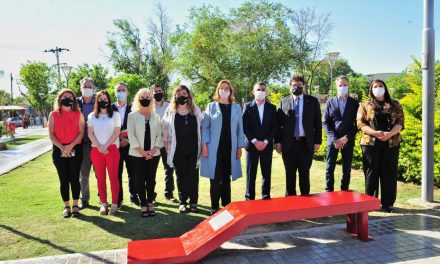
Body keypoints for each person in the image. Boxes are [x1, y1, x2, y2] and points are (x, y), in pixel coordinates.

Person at [357, 79, 404, 213]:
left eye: (380, 86)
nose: (378, 88)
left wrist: (389, 134)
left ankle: (388, 203)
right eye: (375, 87)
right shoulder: (365, 105)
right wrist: (375, 133)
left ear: (385, 88)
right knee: (372, 171)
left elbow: (400, 122)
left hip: (391, 143)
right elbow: (360, 123)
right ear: (371, 90)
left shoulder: (395, 104)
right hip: (371, 143)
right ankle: (371, 202)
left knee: (389, 172)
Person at [201, 80, 245, 215]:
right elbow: (205, 127)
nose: (224, 90)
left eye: (227, 88)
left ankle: (227, 206)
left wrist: (239, 147)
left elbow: (239, 129)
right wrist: (204, 145)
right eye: (222, 88)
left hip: (230, 148)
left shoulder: (236, 107)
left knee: (226, 178)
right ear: (218, 90)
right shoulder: (211, 106)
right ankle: (214, 207)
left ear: (230, 90)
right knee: (214, 178)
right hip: (214, 148)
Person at [275, 76, 322, 196]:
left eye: (299, 85)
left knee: (304, 175)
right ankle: (290, 204)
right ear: (290, 86)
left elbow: (318, 122)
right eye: (294, 85)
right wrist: (278, 142)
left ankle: (305, 203)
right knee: (289, 175)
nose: (297, 87)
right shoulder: (283, 101)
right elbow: (278, 125)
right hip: (288, 145)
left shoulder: (312, 101)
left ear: (304, 86)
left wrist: (317, 141)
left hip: (306, 144)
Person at [162, 85, 202, 213]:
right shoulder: (170, 110)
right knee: (181, 176)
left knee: (193, 176)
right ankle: (183, 202)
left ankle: (194, 202)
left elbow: (202, 127)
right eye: (178, 94)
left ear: (189, 95)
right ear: (175, 96)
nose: (181, 96)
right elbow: (164, 128)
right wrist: (166, 144)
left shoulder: (195, 110)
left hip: (194, 149)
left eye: (184, 93)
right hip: (177, 150)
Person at [48, 89, 85, 218]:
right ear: (59, 99)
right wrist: (63, 148)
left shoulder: (78, 114)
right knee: (63, 180)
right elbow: (51, 134)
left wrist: (70, 146)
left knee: (74, 178)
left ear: (74, 100)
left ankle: (75, 205)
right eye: (65, 96)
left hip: (75, 148)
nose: (67, 98)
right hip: (59, 150)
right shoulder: (53, 115)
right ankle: (66, 206)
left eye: (70, 97)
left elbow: (81, 133)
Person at [127, 88, 163, 217]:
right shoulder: (132, 116)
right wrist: (142, 152)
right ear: (138, 99)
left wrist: (153, 151)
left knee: (151, 179)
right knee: (140, 180)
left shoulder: (156, 116)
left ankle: (150, 203)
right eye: (142, 97)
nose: (145, 99)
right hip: (137, 154)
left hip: (154, 154)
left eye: (148, 97)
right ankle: (143, 204)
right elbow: (131, 136)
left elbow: (160, 134)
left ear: (151, 99)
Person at [323, 76, 359, 192]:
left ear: (348, 86)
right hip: (333, 140)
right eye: (340, 85)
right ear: (336, 86)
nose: (342, 87)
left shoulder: (354, 103)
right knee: (329, 167)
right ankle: (329, 190)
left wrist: (346, 138)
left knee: (347, 168)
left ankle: (345, 190)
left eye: (345, 85)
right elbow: (325, 121)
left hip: (348, 140)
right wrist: (334, 139)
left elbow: (358, 124)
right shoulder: (330, 102)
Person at [88, 90, 121, 215]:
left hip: (112, 149)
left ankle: (114, 204)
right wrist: (99, 146)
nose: (103, 100)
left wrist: (105, 146)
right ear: (97, 101)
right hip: (96, 151)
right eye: (100, 98)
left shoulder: (115, 115)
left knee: (113, 178)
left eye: (105, 98)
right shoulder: (91, 116)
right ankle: (103, 203)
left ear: (109, 100)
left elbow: (117, 132)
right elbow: (90, 133)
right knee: (100, 178)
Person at [242, 82, 277, 201]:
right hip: (252, 146)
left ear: (266, 92)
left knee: (266, 174)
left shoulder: (272, 108)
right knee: (251, 174)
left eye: (263, 89)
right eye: (258, 89)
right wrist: (255, 141)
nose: (260, 91)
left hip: (267, 146)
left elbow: (274, 127)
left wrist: (266, 141)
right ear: (253, 92)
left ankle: (266, 197)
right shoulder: (247, 106)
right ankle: (249, 198)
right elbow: (245, 126)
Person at [111, 82, 138, 208]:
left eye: (123, 90)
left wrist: (127, 140)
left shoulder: (134, 108)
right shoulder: (110, 108)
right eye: (118, 90)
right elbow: (108, 128)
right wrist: (118, 140)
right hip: (115, 146)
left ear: (127, 92)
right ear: (115, 92)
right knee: (117, 173)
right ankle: (118, 199)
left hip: (131, 145)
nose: (120, 92)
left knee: (133, 173)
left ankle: (134, 197)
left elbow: (138, 127)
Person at [152, 84, 176, 202]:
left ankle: (169, 194)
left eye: (160, 90)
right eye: (155, 91)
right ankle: (151, 195)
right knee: (152, 171)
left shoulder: (170, 106)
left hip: (168, 143)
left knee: (169, 169)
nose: (158, 93)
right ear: (152, 93)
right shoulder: (150, 107)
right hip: (154, 144)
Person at [77, 77, 95, 210]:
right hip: (82, 143)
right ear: (80, 88)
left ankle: (103, 198)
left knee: (101, 172)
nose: (87, 89)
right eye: (85, 87)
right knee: (84, 174)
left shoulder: (99, 102)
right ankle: (85, 199)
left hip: (99, 142)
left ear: (93, 89)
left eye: (90, 87)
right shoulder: (75, 103)